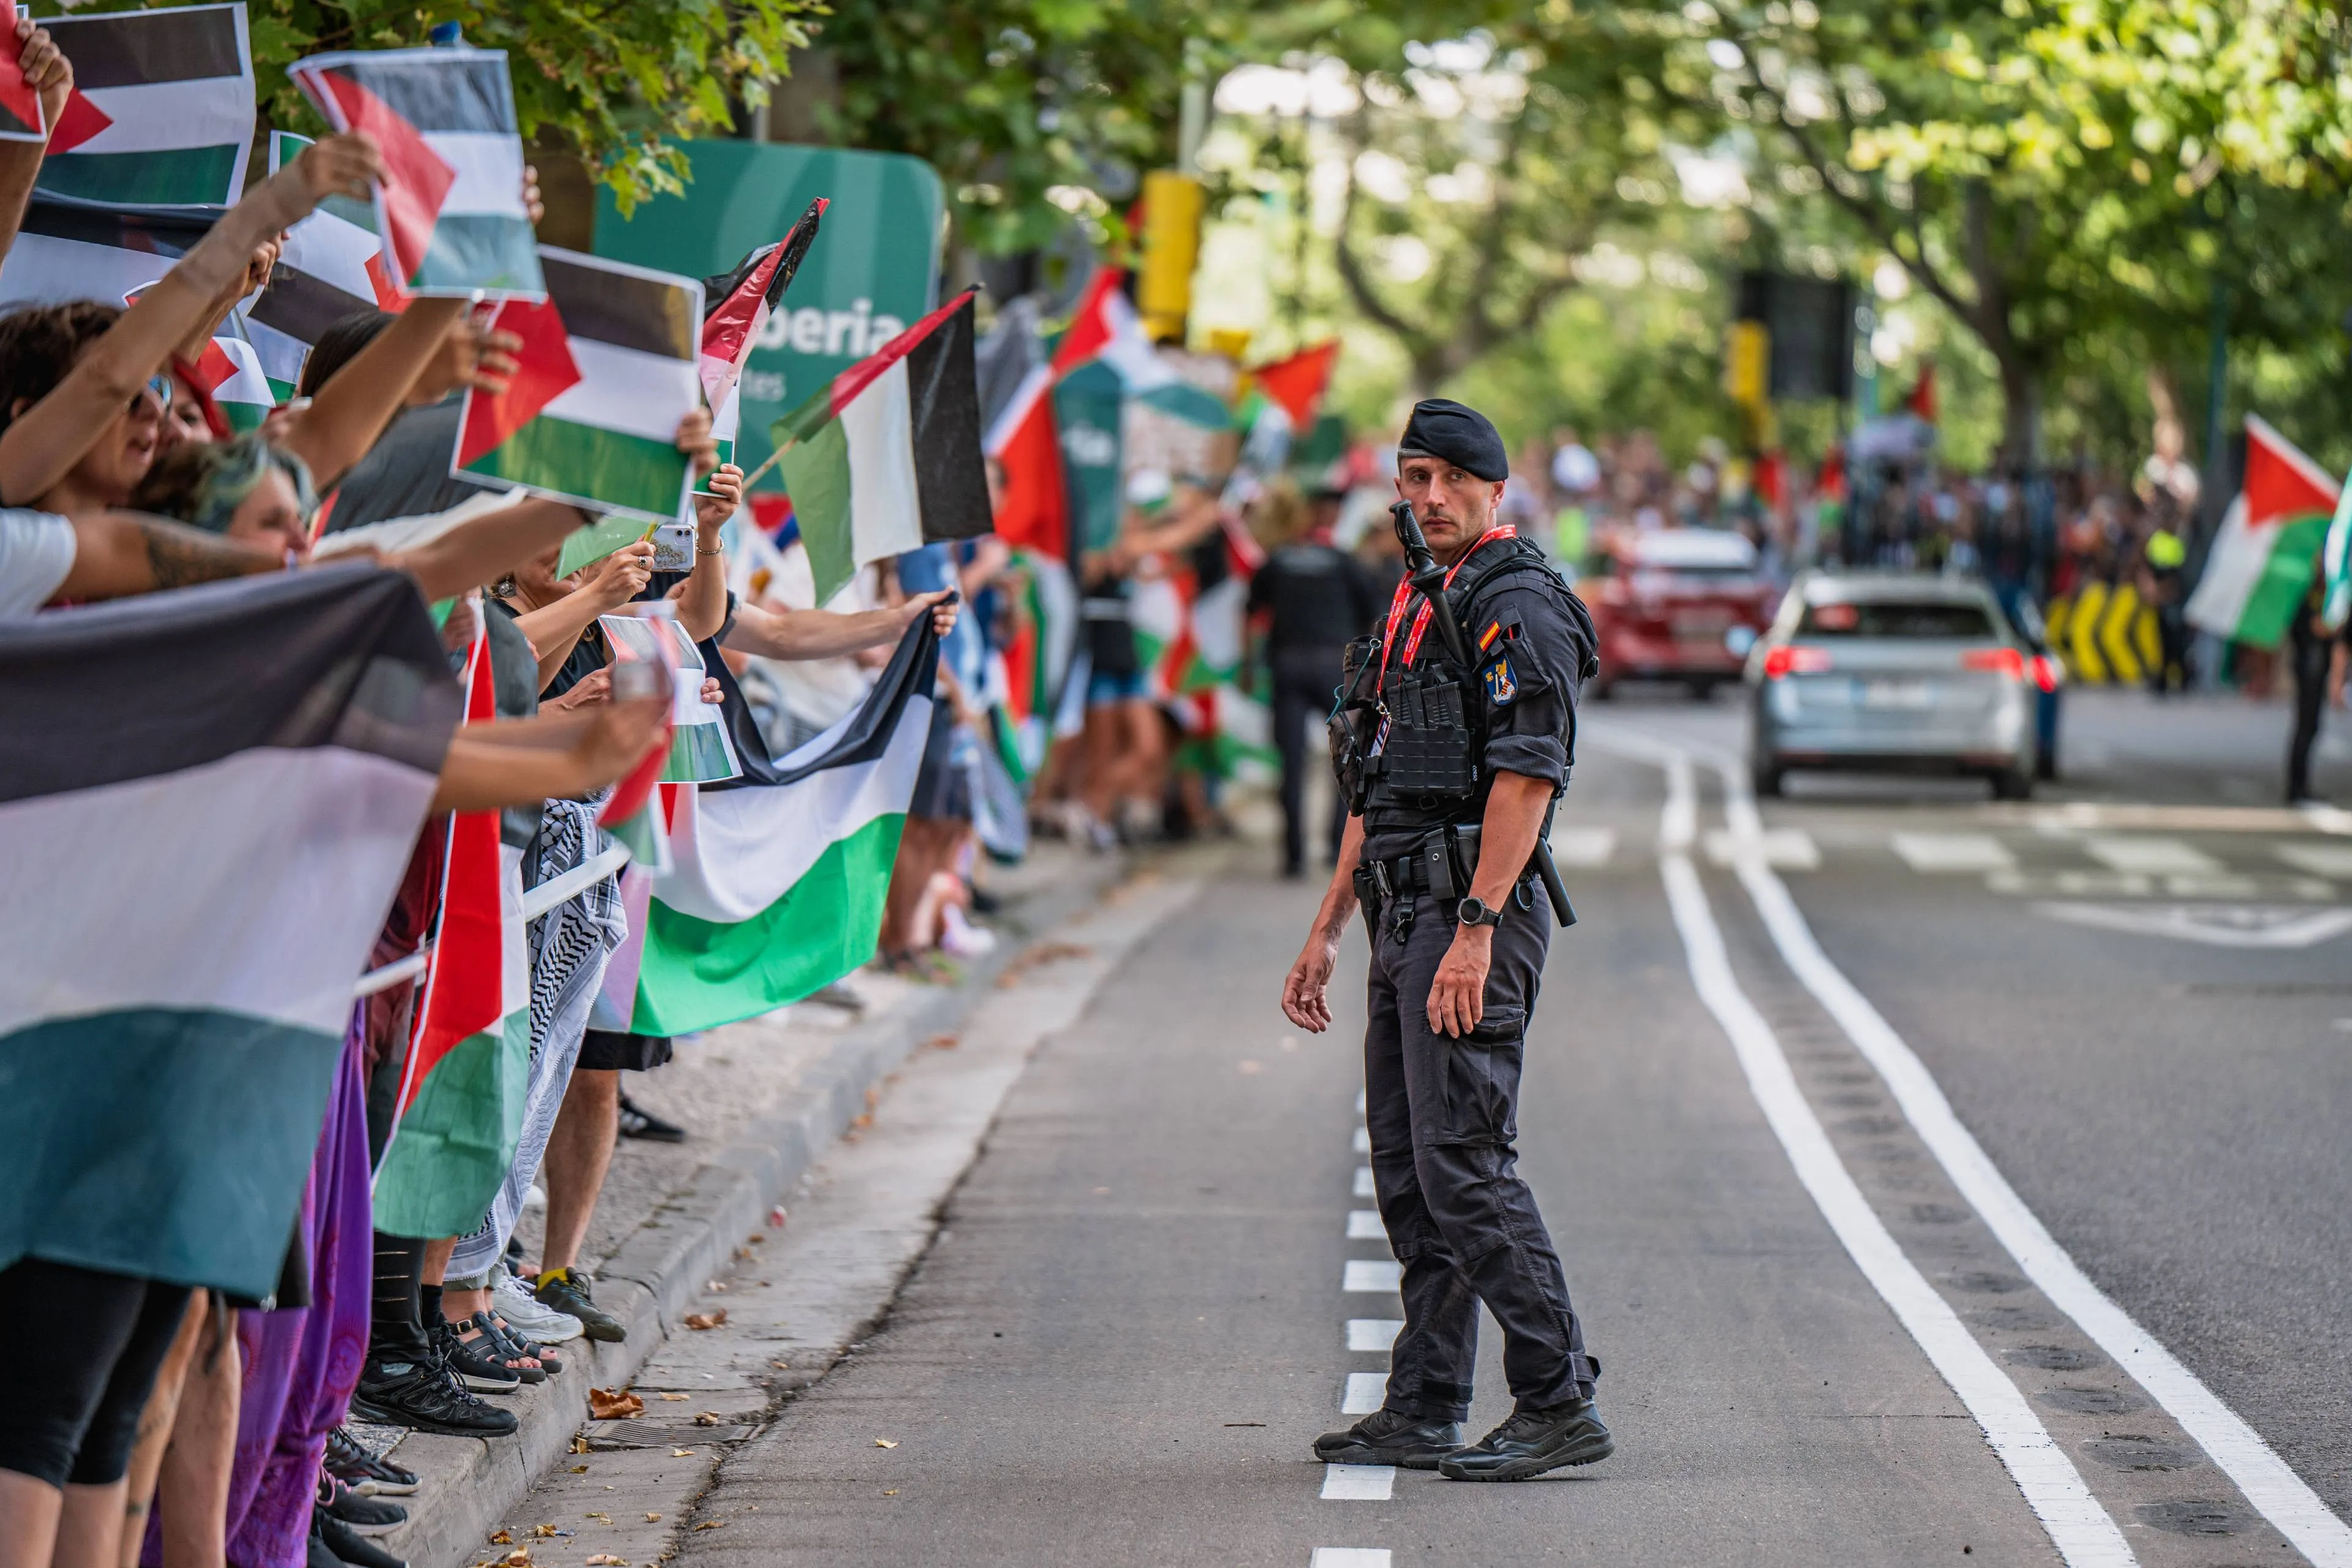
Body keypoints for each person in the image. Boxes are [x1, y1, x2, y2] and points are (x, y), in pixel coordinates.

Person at [1281, 398, 1610, 1482]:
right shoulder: (1422, 599)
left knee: (1465, 1165)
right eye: (1412, 478)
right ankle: (1424, 1404)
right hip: (1398, 910)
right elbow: (1376, 779)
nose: (1427, 499)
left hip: (1472, 913)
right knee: (1410, 1174)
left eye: (1448, 479)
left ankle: (1558, 1397)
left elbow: (1527, 776)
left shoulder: (1520, 604)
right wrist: (1327, 927)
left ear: (1493, 487)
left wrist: (1475, 929)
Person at [1247, 482, 1380, 876]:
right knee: (1346, 757)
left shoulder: (1278, 560)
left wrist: (1248, 666)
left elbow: (1252, 614)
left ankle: (1293, 855)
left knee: (1290, 761)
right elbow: (1372, 618)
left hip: (1287, 665)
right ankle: (1336, 848)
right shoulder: (1344, 562)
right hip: (1334, 669)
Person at [2286, 560, 2350, 804]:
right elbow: (2314, 628)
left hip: (2318, 668)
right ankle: (2296, 787)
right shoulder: (2303, 595)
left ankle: (2301, 785)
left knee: (2312, 727)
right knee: (2306, 726)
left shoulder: (2331, 595)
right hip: (2307, 669)